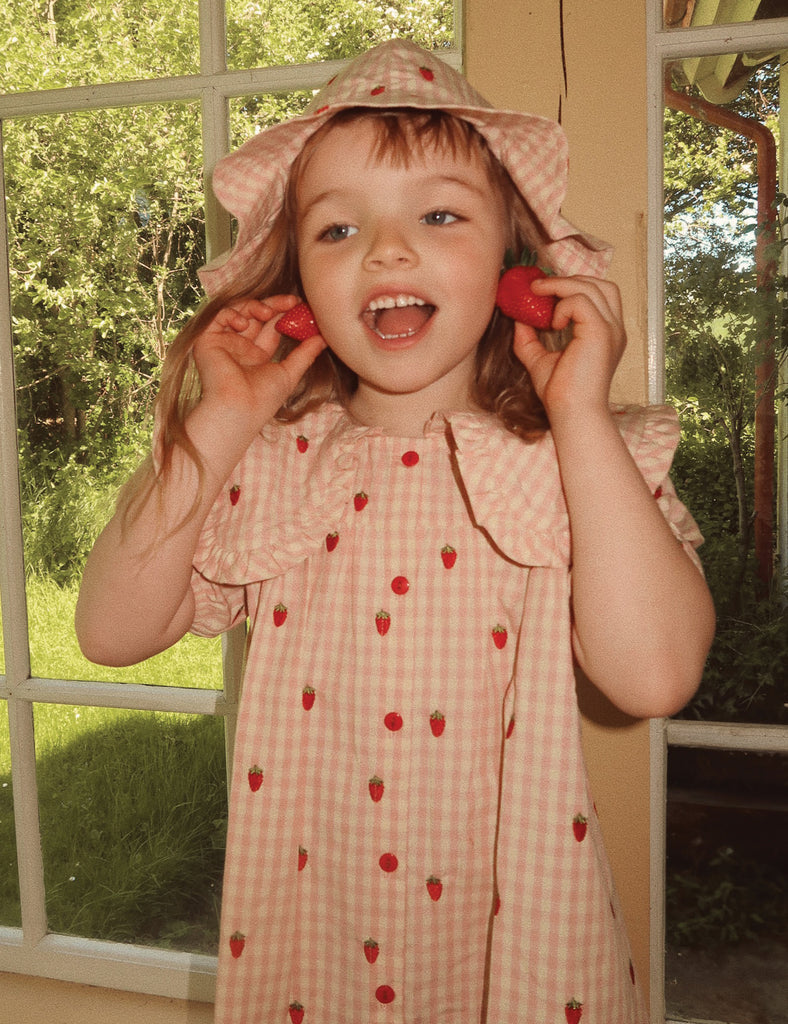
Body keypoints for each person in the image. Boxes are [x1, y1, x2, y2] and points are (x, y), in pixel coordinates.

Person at [76, 39, 715, 1024]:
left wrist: (580, 413)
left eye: (439, 214)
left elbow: (654, 673)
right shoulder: (267, 463)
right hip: (309, 959)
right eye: (336, 230)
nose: (384, 249)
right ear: (297, 284)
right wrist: (224, 415)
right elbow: (110, 631)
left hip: (520, 961)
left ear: (513, 262)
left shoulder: (575, 463)